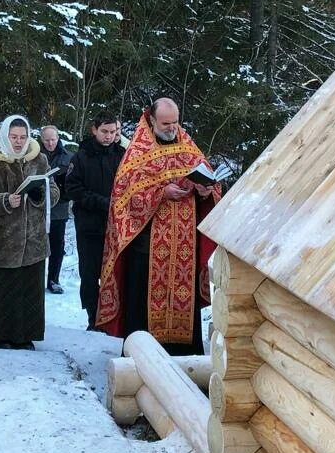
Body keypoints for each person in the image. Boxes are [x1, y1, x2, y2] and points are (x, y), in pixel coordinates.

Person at [97, 98, 220, 355]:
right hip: (146, 247)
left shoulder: (188, 148)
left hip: (184, 246)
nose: (172, 128)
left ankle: (184, 359)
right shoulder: (137, 153)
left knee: (182, 305)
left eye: (175, 122)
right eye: (166, 123)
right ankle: (141, 357)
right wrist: (160, 193)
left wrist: (204, 190)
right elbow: (124, 200)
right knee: (142, 305)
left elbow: (210, 186)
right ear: (152, 120)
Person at [0, 115, 58, 350]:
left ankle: (25, 336)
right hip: (0, 240)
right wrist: (5, 201)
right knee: (1, 291)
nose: (19, 142)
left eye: (22, 137)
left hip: (33, 241)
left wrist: (41, 195)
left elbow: (54, 192)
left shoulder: (38, 159)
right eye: (13, 137)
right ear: (4, 136)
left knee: (28, 291)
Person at [64, 112, 123, 329]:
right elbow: (72, 188)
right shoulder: (81, 156)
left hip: (116, 224)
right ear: (95, 131)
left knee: (115, 271)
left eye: (113, 132)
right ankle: (93, 316)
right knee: (90, 272)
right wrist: (100, 202)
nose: (109, 136)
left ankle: (115, 314)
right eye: (104, 132)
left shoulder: (122, 155)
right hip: (89, 223)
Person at [39, 125, 72, 295]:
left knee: (57, 246)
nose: (50, 143)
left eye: (53, 139)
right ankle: (35, 279)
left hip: (59, 210)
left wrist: (63, 190)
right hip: (37, 209)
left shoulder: (68, 158)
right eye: (47, 140)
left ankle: (53, 279)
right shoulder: (35, 155)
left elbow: (74, 183)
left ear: (58, 138)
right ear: (42, 139)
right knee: (36, 246)